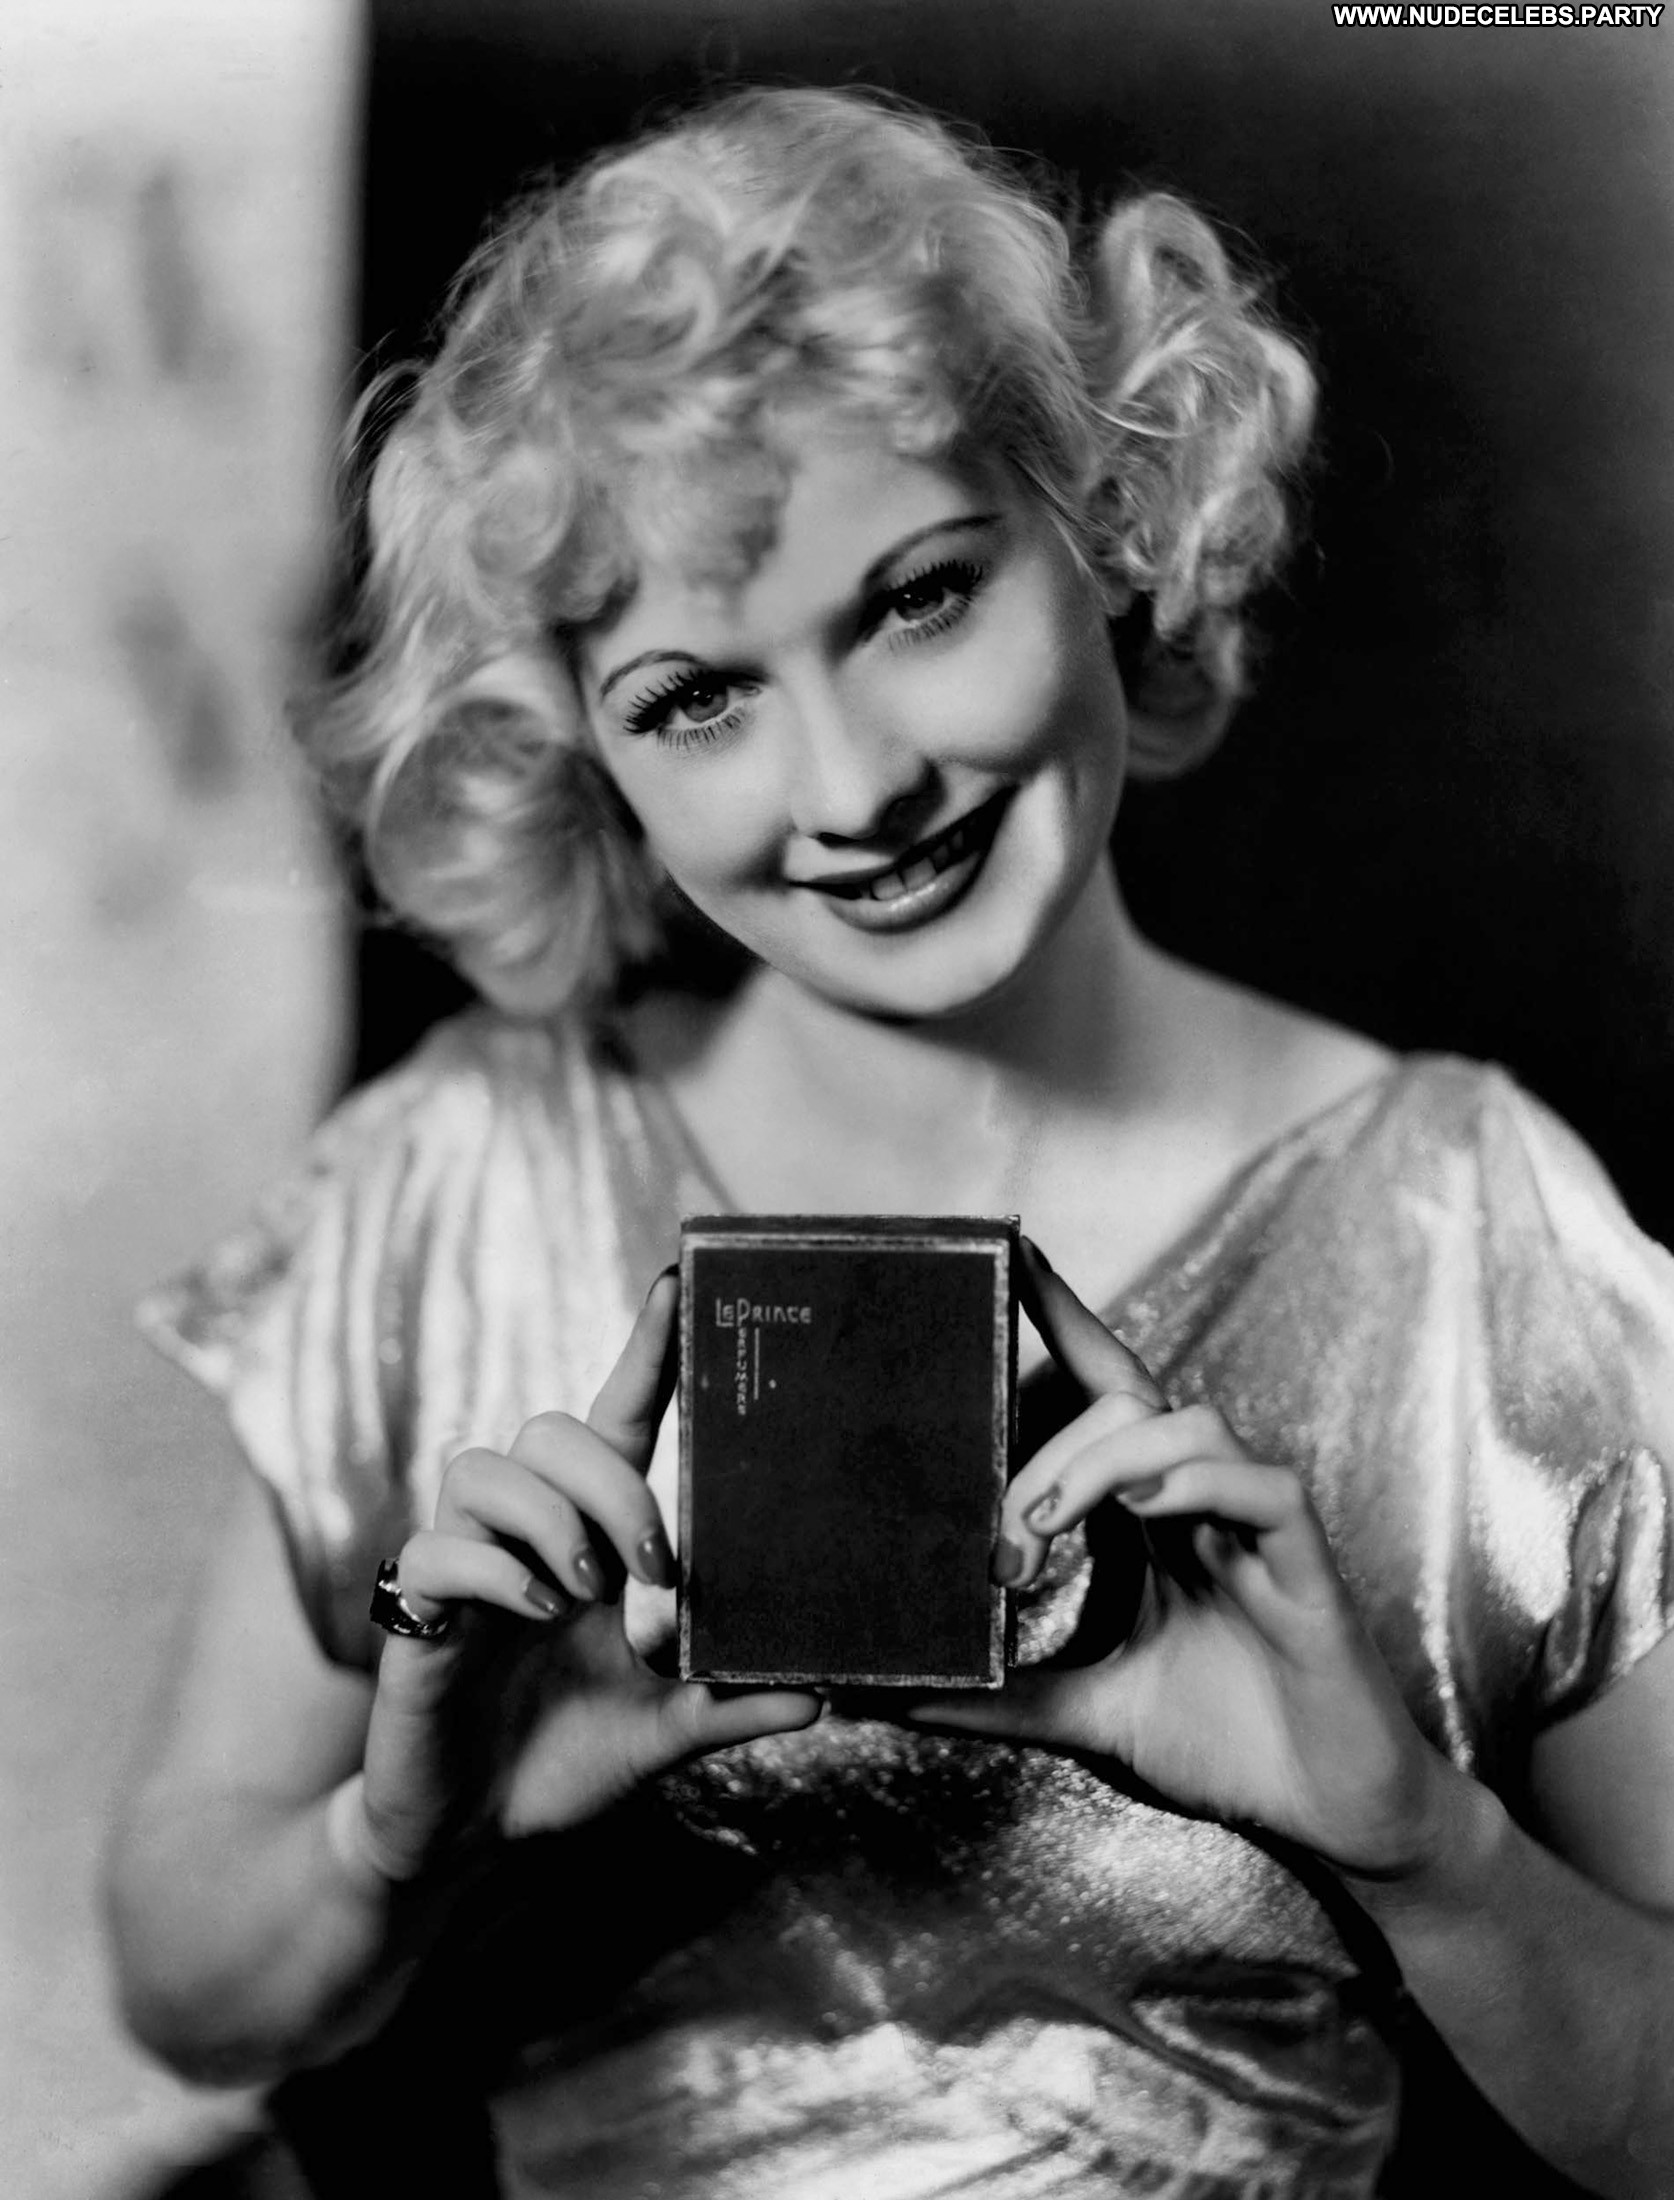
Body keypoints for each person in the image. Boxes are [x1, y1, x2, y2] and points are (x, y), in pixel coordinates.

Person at [106, 85, 1674, 2199]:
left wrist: (1425, 1844)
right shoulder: (456, 1178)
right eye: (696, 697)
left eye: (920, 596)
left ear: (1102, 523)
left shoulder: (1474, 1225)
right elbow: (189, 1992)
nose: (851, 787)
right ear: (579, 756)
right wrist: (407, 1832)